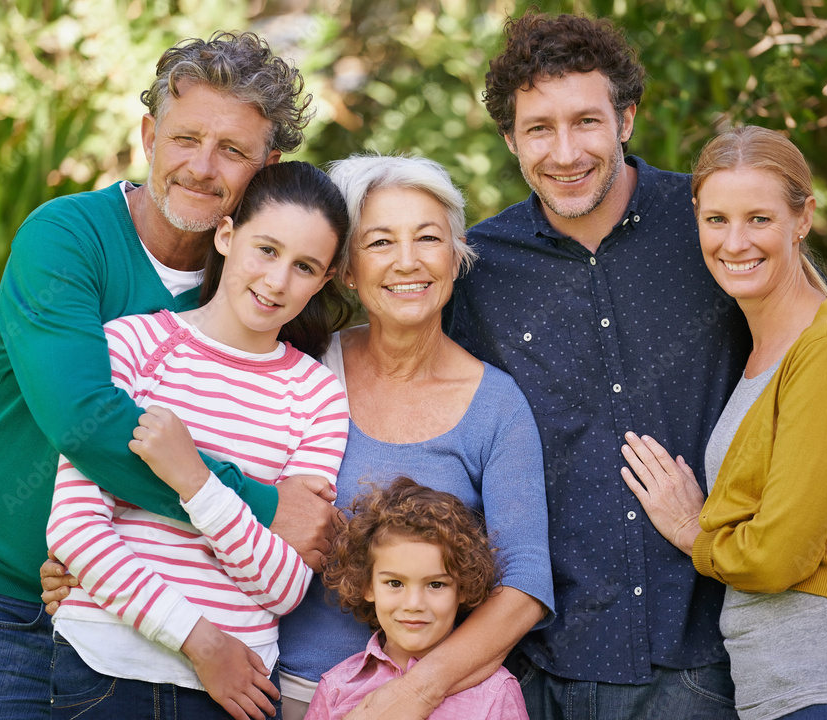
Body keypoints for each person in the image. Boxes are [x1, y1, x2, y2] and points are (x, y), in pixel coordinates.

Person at [446, 12, 827, 720]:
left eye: (587, 121)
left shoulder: (715, 224)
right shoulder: (479, 272)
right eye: (539, 128)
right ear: (511, 139)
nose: (566, 151)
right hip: (547, 661)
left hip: (710, 659)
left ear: (626, 119)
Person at [43, 154, 555, 720]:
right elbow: (106, 507)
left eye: (428, 238)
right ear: (349, 271)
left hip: (424, 702)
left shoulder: (496, 405)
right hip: (273, 689)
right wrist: (93, 573)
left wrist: (412, 694)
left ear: (457, 256)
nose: (407, 261)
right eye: (381, 241)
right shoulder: (314, 368)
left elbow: (524, 583)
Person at [0, 32, 339, 720]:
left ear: (269, 167)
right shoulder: (64, 238)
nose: (201, 167)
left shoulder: (254, 295)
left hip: (154, 632)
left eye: (233, 151)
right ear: (149, 133)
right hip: (12, 601)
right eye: (186, 138)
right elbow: (86, 420)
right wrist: (265, 505)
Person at [619, 126, 827, 720]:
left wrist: (690, 529)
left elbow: (777, 557)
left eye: (759, 218)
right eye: (716, 220)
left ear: (802, 218)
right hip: (782, 693)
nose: (734, 242)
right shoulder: (762, 350)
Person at [45, 161, 351, 720]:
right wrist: (201, 644)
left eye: (304, 266)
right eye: (266, 249)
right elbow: (75, 528)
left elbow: (283, 585)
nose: (278, 281)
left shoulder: (318, 396)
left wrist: (194, 479)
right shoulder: (133, 345)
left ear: (326, 279)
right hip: (105, 668)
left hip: (239, 694)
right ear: (227, 235)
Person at [305, 477, 529, 719]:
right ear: (367, 586)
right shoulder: (336, 688)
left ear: (462, 588)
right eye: (395, 583)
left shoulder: (495, 693)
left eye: (435, 584)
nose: (413, 604)